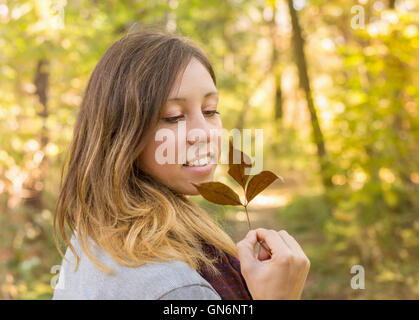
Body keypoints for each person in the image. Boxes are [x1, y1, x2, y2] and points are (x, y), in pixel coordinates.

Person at [52, 30, 310, 300]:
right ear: (120, 133)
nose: (205, 133)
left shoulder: (93, 236)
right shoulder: (177, 289)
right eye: (173, 117)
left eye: (210, 111)